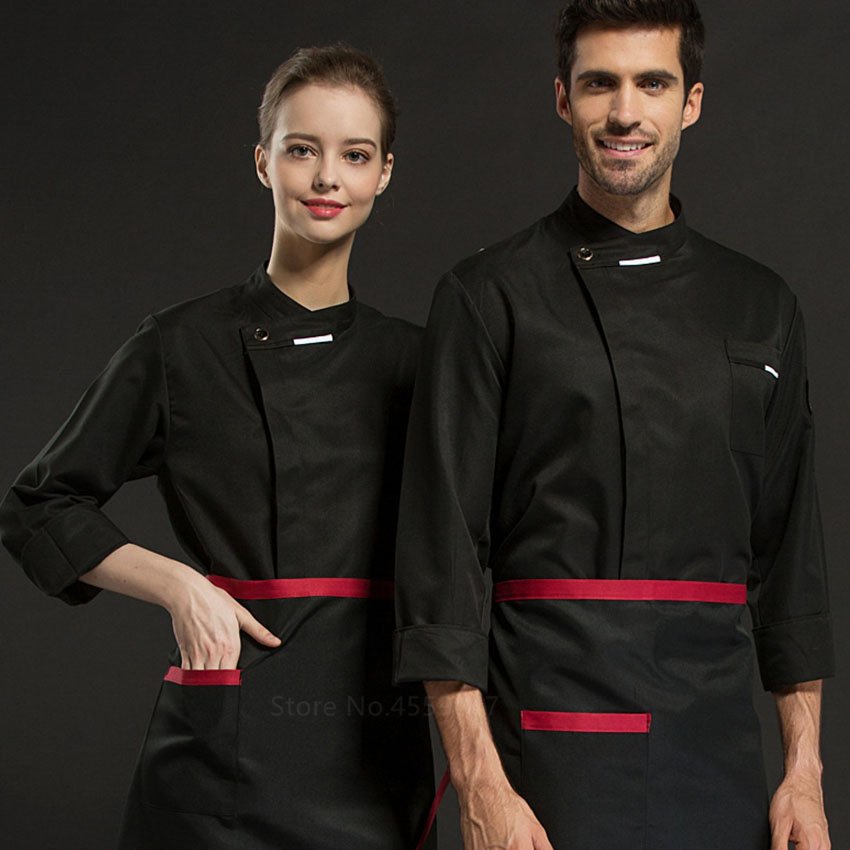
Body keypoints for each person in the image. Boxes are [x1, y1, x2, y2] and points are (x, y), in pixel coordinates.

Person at [392, 2, 833, 849]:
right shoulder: (488, 298)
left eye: (652, 84)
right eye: (600, 84)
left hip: (719, 758)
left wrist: (804, 776)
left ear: (691, 102)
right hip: (548, 763)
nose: (625, 112)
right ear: (563, 98)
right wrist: (480, 784)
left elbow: (790, 564)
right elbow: (440, 562)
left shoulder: (762, 304)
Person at [0, 44, 437, 849]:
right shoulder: (180, 347)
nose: (327, 177)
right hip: (223, 745)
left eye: (354, 155)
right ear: (263, 161)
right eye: (301, 149)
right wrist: (179, 586)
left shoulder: (423, 362)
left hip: (374, 748)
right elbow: (36, 506)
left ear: (384, 174)